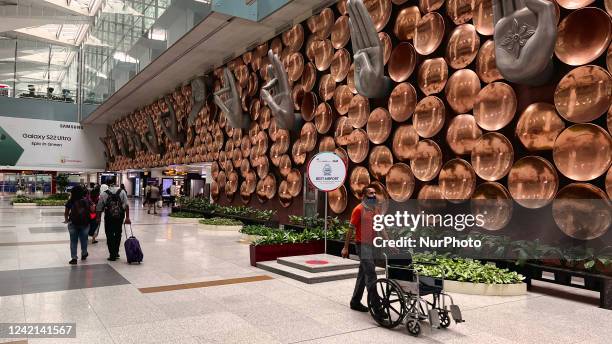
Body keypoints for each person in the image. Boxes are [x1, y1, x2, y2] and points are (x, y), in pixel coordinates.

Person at [342, 186, 396, 314]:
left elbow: (380, 227)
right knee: (371, 274)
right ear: (364, 196)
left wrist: (389, 243)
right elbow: (350, 229)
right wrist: (345, 247)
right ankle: (376, 308)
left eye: (374, 193)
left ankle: (355, 302)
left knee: (363, 274)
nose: (373, 195)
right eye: (370, 193)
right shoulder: (358, 210)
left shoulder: (375, 209)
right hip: (362, 245)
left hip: (372, 245)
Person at [96, 183, 131, 261]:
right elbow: (126, 205)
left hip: (109, 217)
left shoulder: (104, 193)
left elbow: (99, 207)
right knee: (118, 233)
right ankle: (116, 252)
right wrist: (127, 217)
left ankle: (112, 254)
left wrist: (98, 218)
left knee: (109, 234)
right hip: (120, 216)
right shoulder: (122, 192)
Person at [64, 185, 92, 265]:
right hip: (85, 223)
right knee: (84, 239)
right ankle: (84, 253)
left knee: (73, 241)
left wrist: (66, 220)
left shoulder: (70, 201)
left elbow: (66, 212)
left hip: (73, 223)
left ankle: (74, 258)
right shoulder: (86, 200)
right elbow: (92, 210)